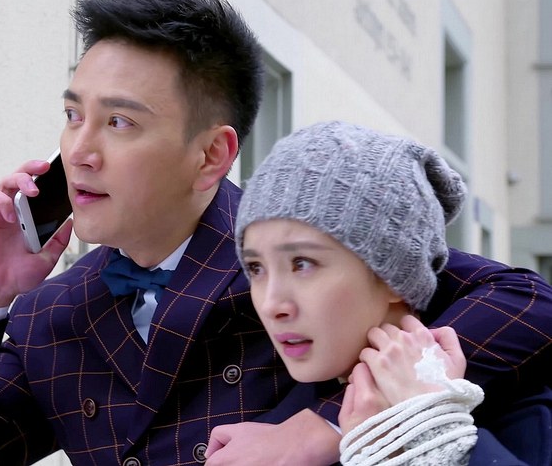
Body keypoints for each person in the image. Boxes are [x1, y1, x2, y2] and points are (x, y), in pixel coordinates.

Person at [0, 0, 552, 465]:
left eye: (119, 122)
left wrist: (321, 428)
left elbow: (527, 303)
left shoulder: (295, 252)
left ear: (211, 155)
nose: (79, 151)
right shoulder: (53, 313)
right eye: (72, 114)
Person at [207, 121, 552, 465]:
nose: (271, 304)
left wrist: (432, 438)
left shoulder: (521, 423)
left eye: (303, 264)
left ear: (393, 274)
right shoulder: (267, 435)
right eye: (256, 268)